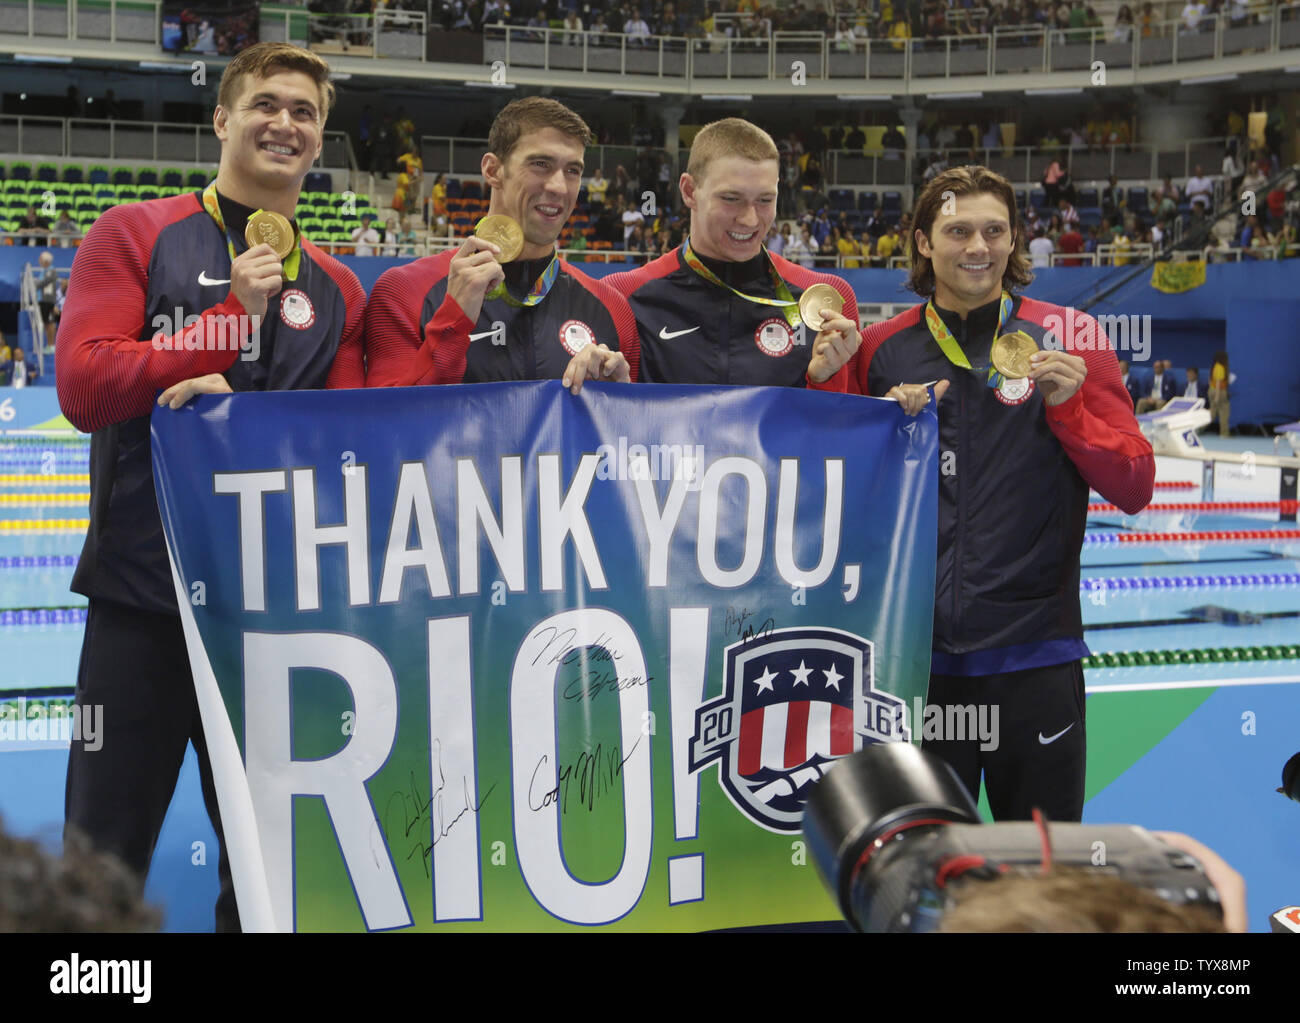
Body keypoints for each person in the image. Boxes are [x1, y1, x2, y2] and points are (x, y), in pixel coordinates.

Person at [55, 41, 367, 935]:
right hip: (142, 604)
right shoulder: (135, 233)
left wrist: (243, 421)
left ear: (319, 139)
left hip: (275, 619)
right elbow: (82, 386)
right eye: (266, 104)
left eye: (305, 112)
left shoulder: (339, 285)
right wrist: (225, 325)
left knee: (269, 867)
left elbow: (349, 447)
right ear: (223, 118)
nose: (285, 123)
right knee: (98, 859)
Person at [830, 165, 1154, 822]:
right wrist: (876, 423)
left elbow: (1135, 485)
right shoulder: (880, 350)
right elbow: (834, 490)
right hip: (918, 665)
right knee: (922, 872)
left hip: (1034, 657)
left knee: (1039, 879)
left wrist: (1070, 410)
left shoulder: (1075, 340)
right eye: (958, 230)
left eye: (994, 230)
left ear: (1014, 242)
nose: (978, 246)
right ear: (923, 241)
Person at [364, 97, 638, 393]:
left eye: (573, 170)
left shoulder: (612, 309)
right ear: (493, 170)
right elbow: (386, 426)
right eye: (541, 164)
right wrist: (452, 321)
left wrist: (619, 403)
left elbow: (633, 437)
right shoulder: (404, 292)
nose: (559, 187)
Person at [606, 118, 859, 388]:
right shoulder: (622, 297)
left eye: (765, 200)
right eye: (730, 199)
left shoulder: (824, 301)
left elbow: (841, 426)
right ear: (689, 191)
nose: (750, 220)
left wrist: (824, 378)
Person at [37, 250, 60, 350]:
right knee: (46, 323)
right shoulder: (43, 271)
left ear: (46, 261)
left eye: (40, 259)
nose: (39, 261)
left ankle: (52, 345)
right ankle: (49, 345)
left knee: (50, 323)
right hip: (42, 300)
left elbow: (44, 282)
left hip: (48, 300)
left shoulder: (52, 270)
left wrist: (35, 285)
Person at [1208, 350, 1232, 435]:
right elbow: (1218, 382)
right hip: (1219, 391)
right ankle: (1224, 433)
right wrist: (1217, 397)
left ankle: (1198, 430)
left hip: (1212, 390)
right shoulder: (1220, 368)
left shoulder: (1214, 366)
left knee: (1212, 413)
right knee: (1224, 412)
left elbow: (1211, 380)